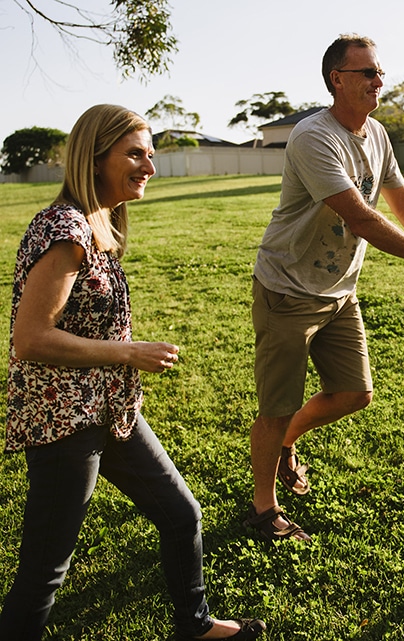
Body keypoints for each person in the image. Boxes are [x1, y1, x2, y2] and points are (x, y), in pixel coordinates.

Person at [0, 104, 266, 640]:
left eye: (151, 154)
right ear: (95, 158)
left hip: (111, 408)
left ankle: (194, 626)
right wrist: (128, 353)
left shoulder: (102, 220)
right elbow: (30, 339)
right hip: (64, 418)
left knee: (181, 514)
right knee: (45, 570)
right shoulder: (65, 229)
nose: (149, 166)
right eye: (135, 154)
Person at [245, 33, 404, 542]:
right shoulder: (314, 137)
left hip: (338, 291)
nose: (379, 81)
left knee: (354, 393)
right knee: (276, 406)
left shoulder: (377, 134)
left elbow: (400, 197)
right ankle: (264, 509)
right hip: (288, 289)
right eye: (368, 72)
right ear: (337, 79)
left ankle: (286, 441)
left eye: (379, 71)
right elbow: (362, 218)